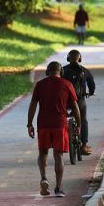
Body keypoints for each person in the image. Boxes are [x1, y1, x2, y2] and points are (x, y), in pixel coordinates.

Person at [27, 61, 81, 197]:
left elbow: (33, 105)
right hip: (60, 124)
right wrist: (79, 124)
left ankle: (44, 178)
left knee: (43, 152)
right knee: (59, 155)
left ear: (47, 71)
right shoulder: (67, 84)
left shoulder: (40, 85)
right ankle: (58, 188)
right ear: (61, 71)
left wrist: (29, 124)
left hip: (43, 124)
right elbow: (75, 107)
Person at [63, 49, 96, 155]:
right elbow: (92, 85)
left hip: (66, 101)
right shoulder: (84, 71)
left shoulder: (62, 70)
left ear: (68, 59)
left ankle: (61, 142)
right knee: (83, 120)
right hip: (79, 100)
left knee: (62, 118)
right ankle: (84, 145)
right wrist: (90, 93)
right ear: (80, 59)